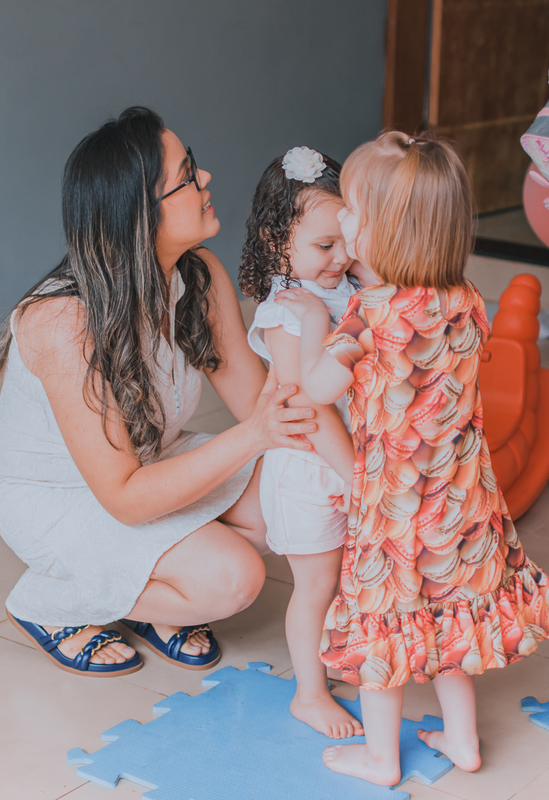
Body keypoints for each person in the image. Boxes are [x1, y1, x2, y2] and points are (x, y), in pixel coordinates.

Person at [275, 131, 549, 786]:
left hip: (396, 513)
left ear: (381, 231)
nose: (341, 221)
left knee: (386, 629)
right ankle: (462, 740)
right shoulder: (465, 300)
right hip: (464, 504)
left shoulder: (369, 316)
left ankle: (381, 758)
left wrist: (315, 327)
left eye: (350, 211)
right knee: (447, 628)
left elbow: (317, 389)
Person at [0, 107, 319, 677]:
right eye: (186, 176)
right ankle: (46, 605)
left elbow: (268, 405)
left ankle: (143, 583)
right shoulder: (63, 321)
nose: (205, 180)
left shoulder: (201, 275)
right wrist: (255, 435)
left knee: (291, 496)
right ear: (137, 213)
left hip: (147, 462)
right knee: (234, 579)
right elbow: (126, 497)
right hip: (59, 495)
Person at [238, 147, 379, 738]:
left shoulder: (345, 284)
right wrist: (356, 478)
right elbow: (305, 407)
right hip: (309, 468)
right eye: (324, 247)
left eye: (346, 240)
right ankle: (308, 694)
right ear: (278, 246)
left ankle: (328, 659)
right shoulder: (289, 310)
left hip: (344, 460)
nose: (339, 258)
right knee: (315, 584)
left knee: (344, 574)